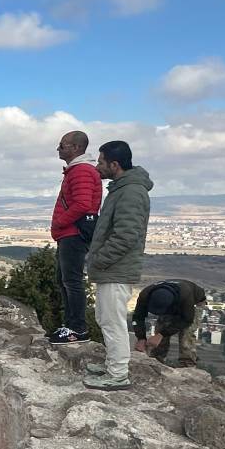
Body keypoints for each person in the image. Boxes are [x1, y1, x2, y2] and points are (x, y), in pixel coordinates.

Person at [83, 141, 153, 391]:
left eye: (101, 162)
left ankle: (118, 374)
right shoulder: (121, 189)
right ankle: (113, 365)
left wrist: (98, 259)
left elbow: (126, 235)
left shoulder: (131, 192)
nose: (97, 166)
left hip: (116, 268)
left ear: (115, 165)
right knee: (105, 318)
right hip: (112, 268)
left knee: (113, 321)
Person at [49, 130, 103, 345]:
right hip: (70, 233)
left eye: (62, 145)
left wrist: (60, 222)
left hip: (73, 233)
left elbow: (82, 204)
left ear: (76, 148)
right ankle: (70, 324)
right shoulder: (77, 170)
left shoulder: (80, 171)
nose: (58, 149)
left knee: (71, 281)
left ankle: (77, 328)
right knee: (64, 280)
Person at [130, 279, 206, 369]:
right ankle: (156, 360)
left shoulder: (185, 295)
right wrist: (141, 338)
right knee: (161, 327)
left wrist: (161, 335)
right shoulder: (145, 295)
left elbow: (187, 320)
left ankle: (187, 365)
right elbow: (138, 317)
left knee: (186, 333)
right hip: (172, 300)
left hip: (194, 303)